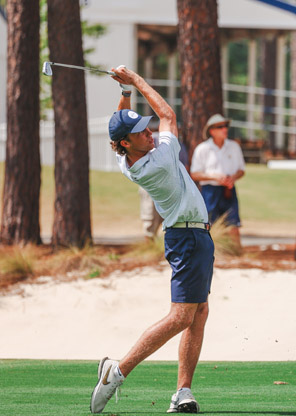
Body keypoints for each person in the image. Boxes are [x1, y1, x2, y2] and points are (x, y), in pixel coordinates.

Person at [90, 66, 214, 414]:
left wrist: (125, 95)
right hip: (186, 237)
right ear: (128, 143)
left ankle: (182, 392)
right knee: (180, 317)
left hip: (196, 235)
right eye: (140, 132)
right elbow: (168, 115)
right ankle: (118, 370)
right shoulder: (157, 161)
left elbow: (122, 123)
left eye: (146, 128)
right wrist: (136, 80)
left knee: (198, 313)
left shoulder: (128, 154)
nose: (149, 132)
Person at [190, 114, 245, 248]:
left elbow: (241, 170)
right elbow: (195, 174)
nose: (224, 129)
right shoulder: (202, 149)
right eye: (220, 127)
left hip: (228, 189)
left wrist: (232, 178)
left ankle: (237, 254)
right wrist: (214, 177)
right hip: (210, 191)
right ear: (212, 131)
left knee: (233, 224)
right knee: (210, 224)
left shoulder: (234, 146)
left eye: (225, 126)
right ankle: (212, 254)